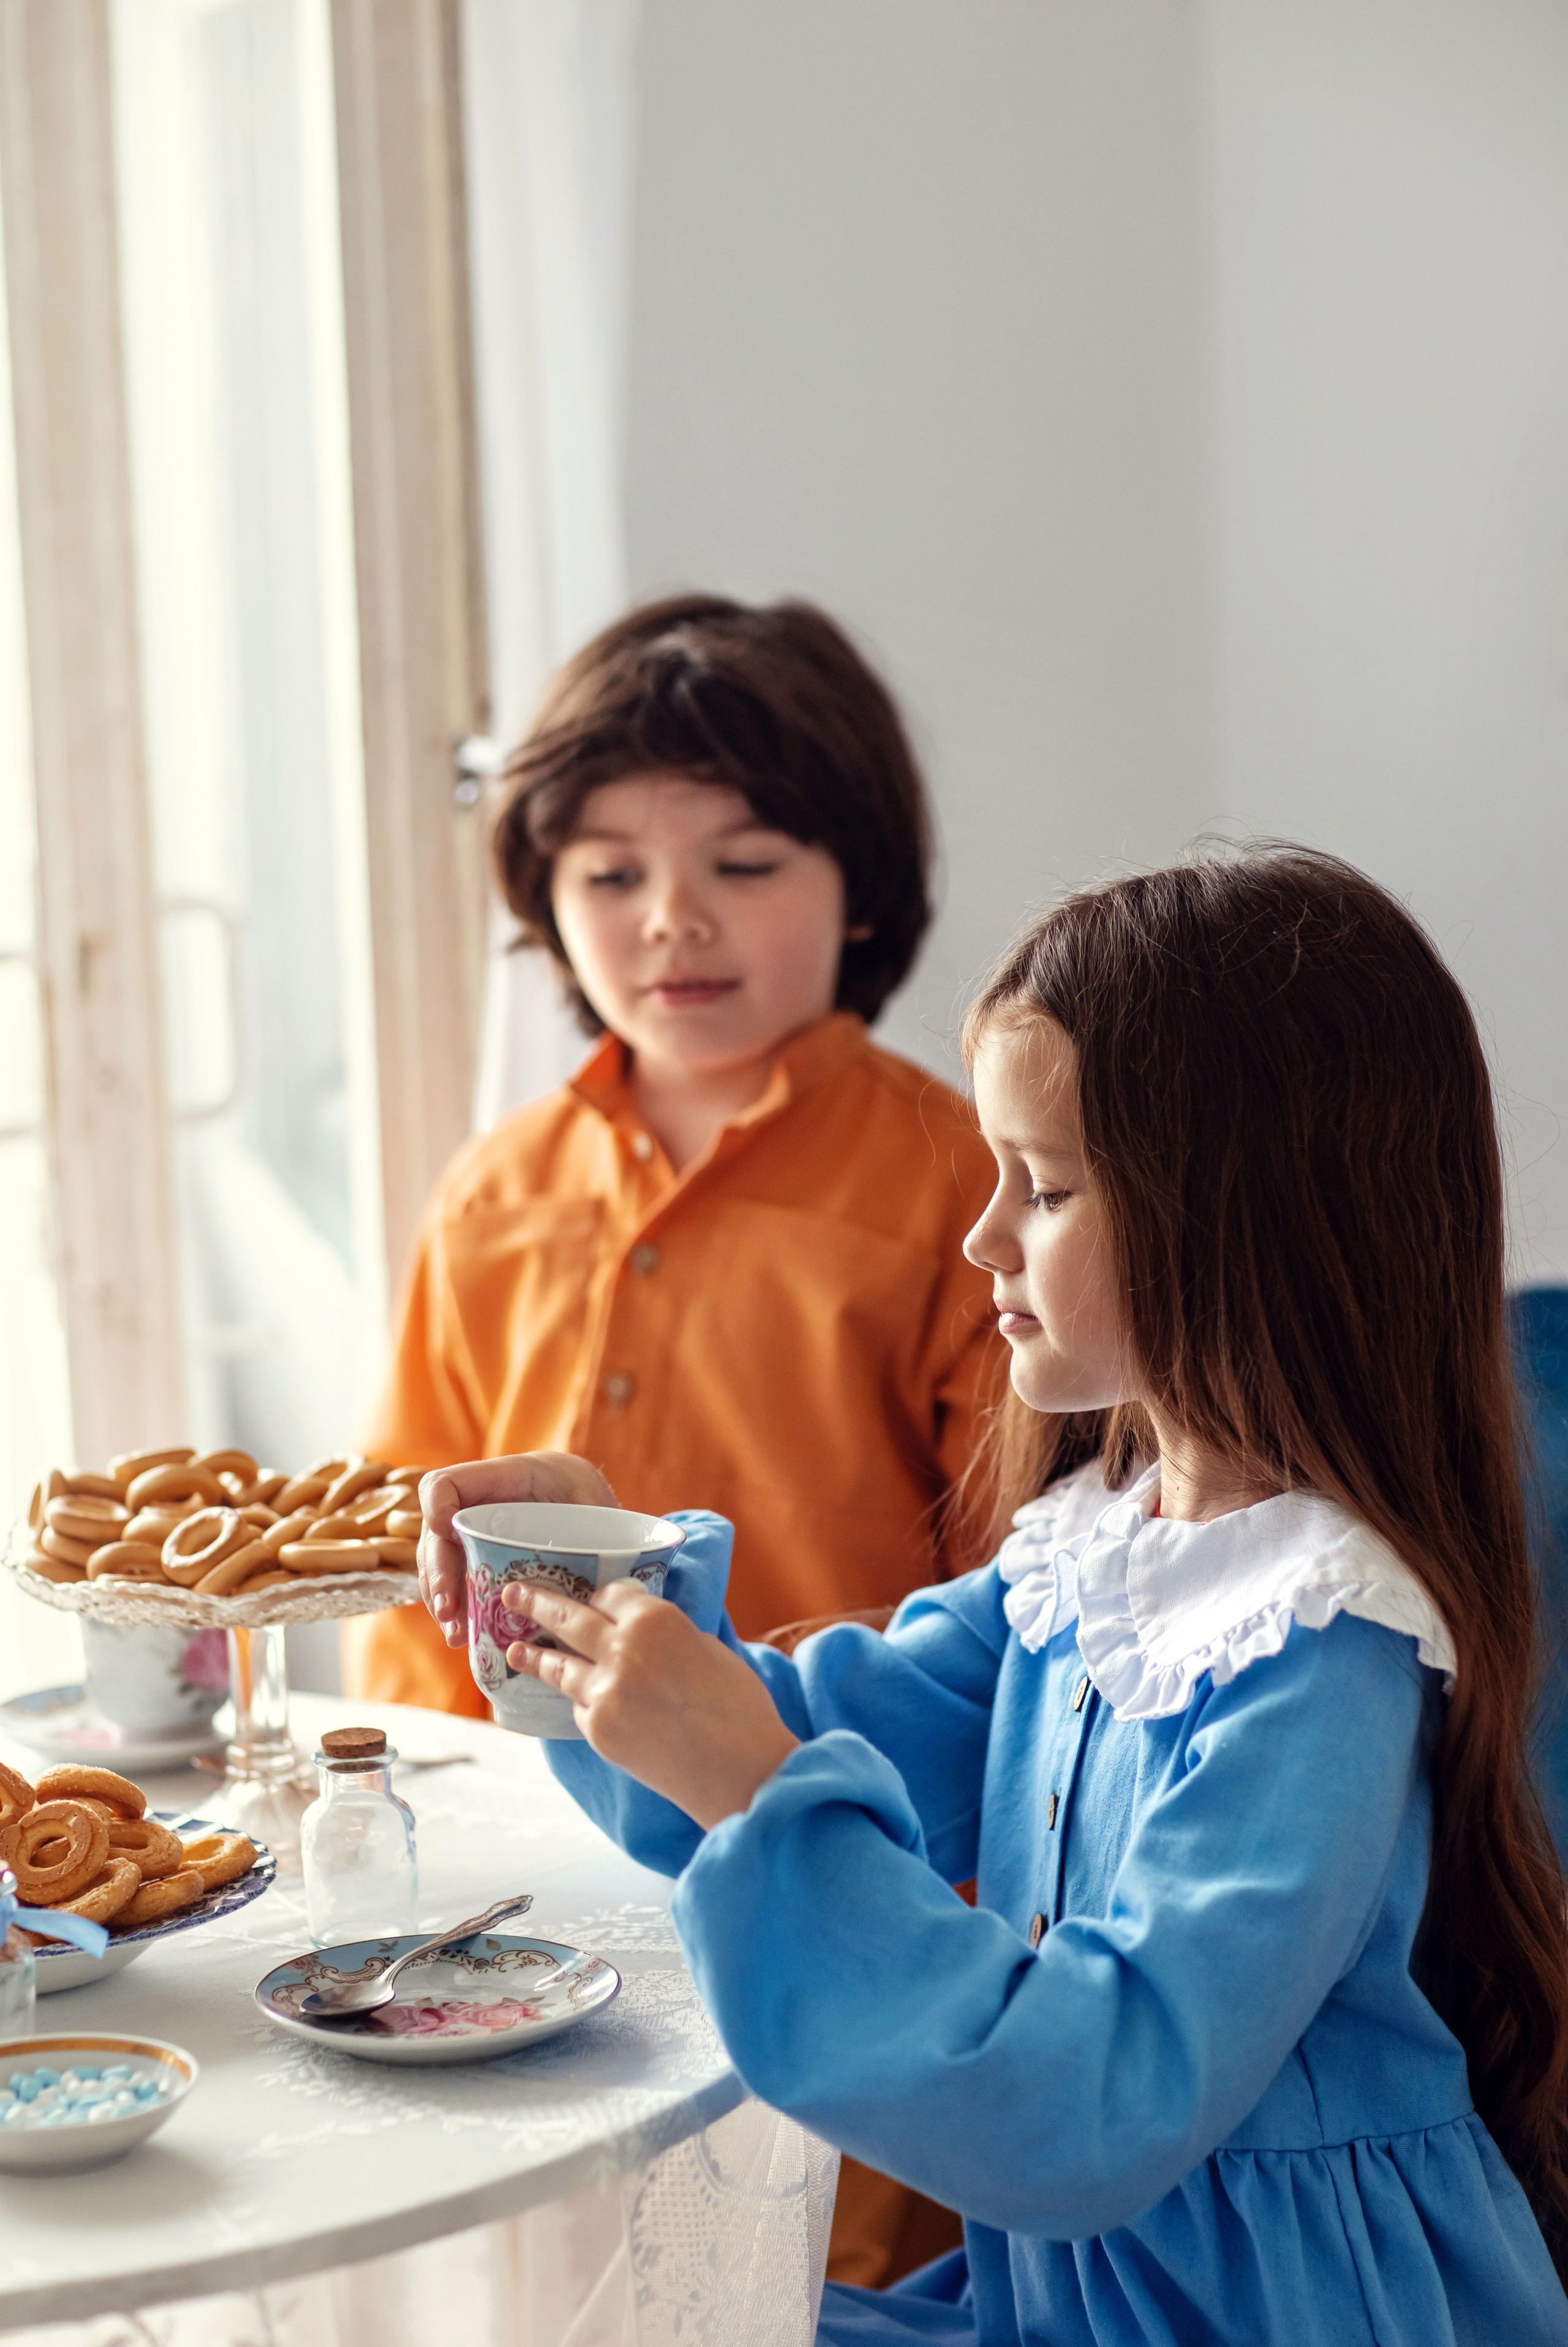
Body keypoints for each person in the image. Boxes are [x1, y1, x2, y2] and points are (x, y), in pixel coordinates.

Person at [416, 848, 1568, 2345]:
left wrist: (763, 1791)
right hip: (1074, 2290)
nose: (980, 1237)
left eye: (1046, 1186)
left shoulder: (1317, 1650)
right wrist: (580, 1573)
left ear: (1244, 1220)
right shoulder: (1095, 1561)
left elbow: (1093, 2098)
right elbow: (788, 1735)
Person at [347, 592, 999, 2289]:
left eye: (749, 859)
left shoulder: (959, 1189)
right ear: (546, 904)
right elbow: (404, 1576)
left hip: (830, 1876)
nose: (673, 921)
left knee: (802, 2279)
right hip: (522, 1919)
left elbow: (1014, 1600)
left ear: (863, 886)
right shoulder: (493, 1195)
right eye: (612, 873)